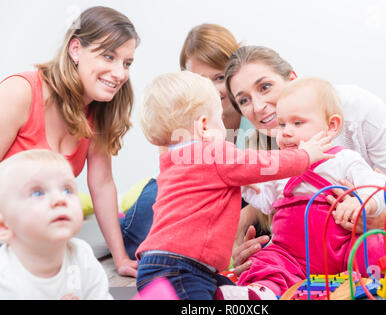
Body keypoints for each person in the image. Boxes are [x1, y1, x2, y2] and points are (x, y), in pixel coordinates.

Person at [215, 77, 386, 300]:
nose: (286, 132)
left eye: (298, 123)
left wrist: (363, 202)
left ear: (330, 127)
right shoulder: (281, 165)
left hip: (346, 247)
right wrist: (246, 185)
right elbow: (266, 200)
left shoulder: (343, 159)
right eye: (282, 123)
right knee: (265, 260)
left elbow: (380, 187)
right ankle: (262, 290)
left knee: (381, 248)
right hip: (292, 254)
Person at [134, 71, 334, 300]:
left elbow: (208, 185)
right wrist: (304, 156)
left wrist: (245, 179)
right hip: (182, 268)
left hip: (161, 265)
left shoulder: (173, 162)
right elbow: (266, 162)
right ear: (205, 126)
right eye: (220, 119)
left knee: (222, 288)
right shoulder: (213, 152)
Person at [0, 6, 140, 277]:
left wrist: (121, 259)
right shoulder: (20, 92)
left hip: (34, 244)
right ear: (75, 50)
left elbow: (102, 184)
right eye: (109, 56)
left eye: (127, 63)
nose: (120, 73)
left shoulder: (97, 112)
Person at [120, 23, 260, 260]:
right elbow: (173, 186)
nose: (211, 89)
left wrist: (236, 230)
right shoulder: (180, 116)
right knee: (149, 211)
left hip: (241, 200)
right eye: (198, 79)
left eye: (218, 78)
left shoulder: (254, 112)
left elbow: (269, 187)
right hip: (191, 198)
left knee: (260, 233)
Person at [0, 150, 113, 299]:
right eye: (37, 193)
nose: (60, 199)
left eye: (67, 190)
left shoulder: (81, 255)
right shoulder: (5, 278)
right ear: (4, 226)